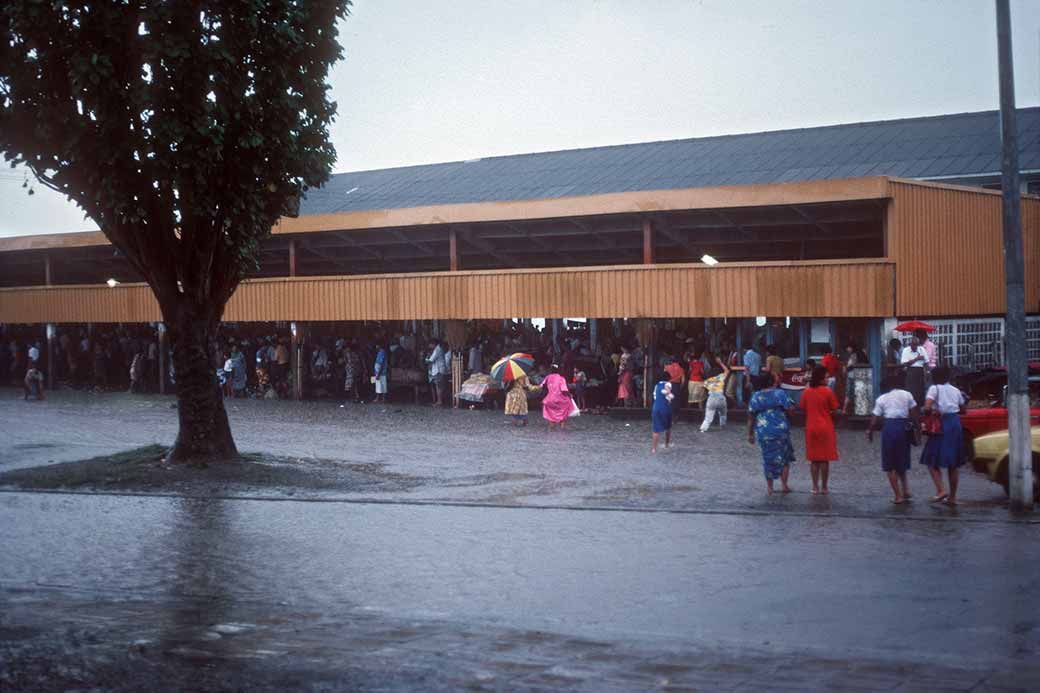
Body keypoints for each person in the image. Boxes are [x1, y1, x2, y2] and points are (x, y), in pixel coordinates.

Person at [867, 375, 919, 504]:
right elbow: (914, 413)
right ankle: (906, 490)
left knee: (890, 465)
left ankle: (898, 496)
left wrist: (870, 431)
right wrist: (918, 428)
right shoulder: (907, 395)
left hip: (889, 428)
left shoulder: (882, 399)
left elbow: (874, 419)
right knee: (902, 461)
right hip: (904, 428)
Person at [920, 366, 967, 505]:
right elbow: (963, 409)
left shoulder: (934, 389)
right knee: (953, 463)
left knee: (931, 459)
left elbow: (927, 407)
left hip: (940, 424)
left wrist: (931, 412)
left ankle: (941, 490)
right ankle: (952, 498)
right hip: (955, 424)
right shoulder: (956, 390)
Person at [746, 373, 795, 494]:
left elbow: (751, 418)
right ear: (771, 381)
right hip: (780, 429)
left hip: (764, 431)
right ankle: (784, 485)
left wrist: (750, 434)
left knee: (767, 458)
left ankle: (770, 487)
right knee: (784, 457)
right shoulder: (780, 393)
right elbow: (790, 411)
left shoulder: (755, 396)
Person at [799, 365, 841, 495]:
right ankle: (824, 487)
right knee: (824, 459)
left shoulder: (807, 392)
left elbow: (802, 407)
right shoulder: (828, 391)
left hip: (811, 427)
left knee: (814, 459)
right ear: (821, 378)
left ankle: (814, 486)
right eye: (827, 377)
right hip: (826, 427)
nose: (828, 379)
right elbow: (835, 408)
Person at [699, 352, 730, 432]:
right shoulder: (720, 377)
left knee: (708, 416)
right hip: (721, 398)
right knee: (723, 414)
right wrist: (720, 362)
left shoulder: (708, 381)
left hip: (711, 398)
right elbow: (727, 371)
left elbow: (702, 386)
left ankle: (703, 428)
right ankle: (722, 426)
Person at [541, 365, 574, 431]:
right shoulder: (561, 378)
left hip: (549, 400)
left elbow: (542, 386)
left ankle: (551, 428)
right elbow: (564, 390)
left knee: (551, 415)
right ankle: (562, 427)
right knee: (563, 412)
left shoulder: (547, 377)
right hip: (560, 400)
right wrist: (570, 395)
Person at [900, 335, 928, 407]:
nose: (915, 347)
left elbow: (926, 362)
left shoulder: (921, 349)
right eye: (914, 345)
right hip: (911, 372)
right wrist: (917, 358)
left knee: (920, 393)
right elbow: (904, 364)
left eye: (917, 345)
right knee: (911, 392)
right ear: (910, 344)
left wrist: (926, 373)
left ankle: (919, 409)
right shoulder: (906, 350)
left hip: (920, 372)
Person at [651, 381, 674, 453]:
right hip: (665, 408)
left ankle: (654, 449)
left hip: (656, 407)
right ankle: (666, 445)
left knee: (655, 429)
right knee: (668, 427)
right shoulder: (668, 384)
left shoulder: (656, 385)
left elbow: (655, 396)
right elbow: (669, 395)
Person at [426, 339, 446, 406]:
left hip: (438, 370)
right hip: (440, 370)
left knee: (438, 386)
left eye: (430, 344)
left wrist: (426, 359)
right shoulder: (439, 349)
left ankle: (439, 401)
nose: (429, 346)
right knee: (439, 386)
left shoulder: (437, 350)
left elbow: (431, 360)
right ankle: (439, 400)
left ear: (433, 344)